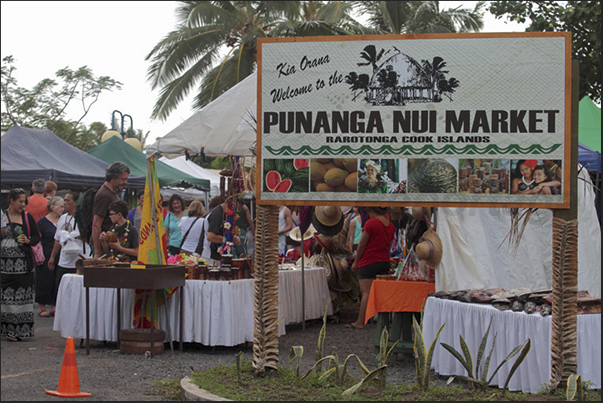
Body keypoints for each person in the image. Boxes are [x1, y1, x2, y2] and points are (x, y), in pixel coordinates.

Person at [1, 188, 41, 341]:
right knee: (6, 297)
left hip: (23, 267)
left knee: (23, 298)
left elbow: (37, 236)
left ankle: (21, 331)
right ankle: (9, 331)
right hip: (4, 267)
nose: (23, 204)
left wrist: (28, 240)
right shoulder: (2, 216)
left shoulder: (27, 217)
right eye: (20, 201)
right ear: (11, 200)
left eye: (25, 201)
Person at [347, 206, 395, 329]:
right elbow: (389, 245)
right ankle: (384, 321)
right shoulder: (390, 226)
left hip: (368, 261)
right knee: (382, 292)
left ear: (371, 211)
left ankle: (360, 321)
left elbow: (362, 243)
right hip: (383, 260)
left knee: (366, 292)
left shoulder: (371, 223)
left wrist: (356, 262)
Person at [48, 192, 90, 300]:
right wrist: (52, 256)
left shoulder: (83, 218)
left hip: (78, 259)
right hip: (64, 260)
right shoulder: (63, 218)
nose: (65, 203)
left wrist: (76, 236)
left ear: (75, 203)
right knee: (61, 290)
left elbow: (88, 237)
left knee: (77, 293)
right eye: (64, 200)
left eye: (68, 201)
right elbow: (57, 239)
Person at [92, 161, 131, 259]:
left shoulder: (112, 192)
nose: (125, 182)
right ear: (113, 177)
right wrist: (97, 252)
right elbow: (96, 225)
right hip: (104, 245)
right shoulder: (104, 195)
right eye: (123, 179)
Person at [35, 196, 64, 317]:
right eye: (61, 206)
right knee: (44, 279)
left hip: (59, 254)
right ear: (53, 207)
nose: (63, 209)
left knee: (55, 280)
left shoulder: (63, 221)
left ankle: (54, 305)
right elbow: (37, 239)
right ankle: (41, 306)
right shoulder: (42, 222)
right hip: (45, 253)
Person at [202, 196, 241, 266]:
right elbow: (210, 237)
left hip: (217, 256)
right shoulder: (217, 214)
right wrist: (229, 239)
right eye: (236, 208)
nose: (236, 211)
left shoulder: (224, 214)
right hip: (210, 257)